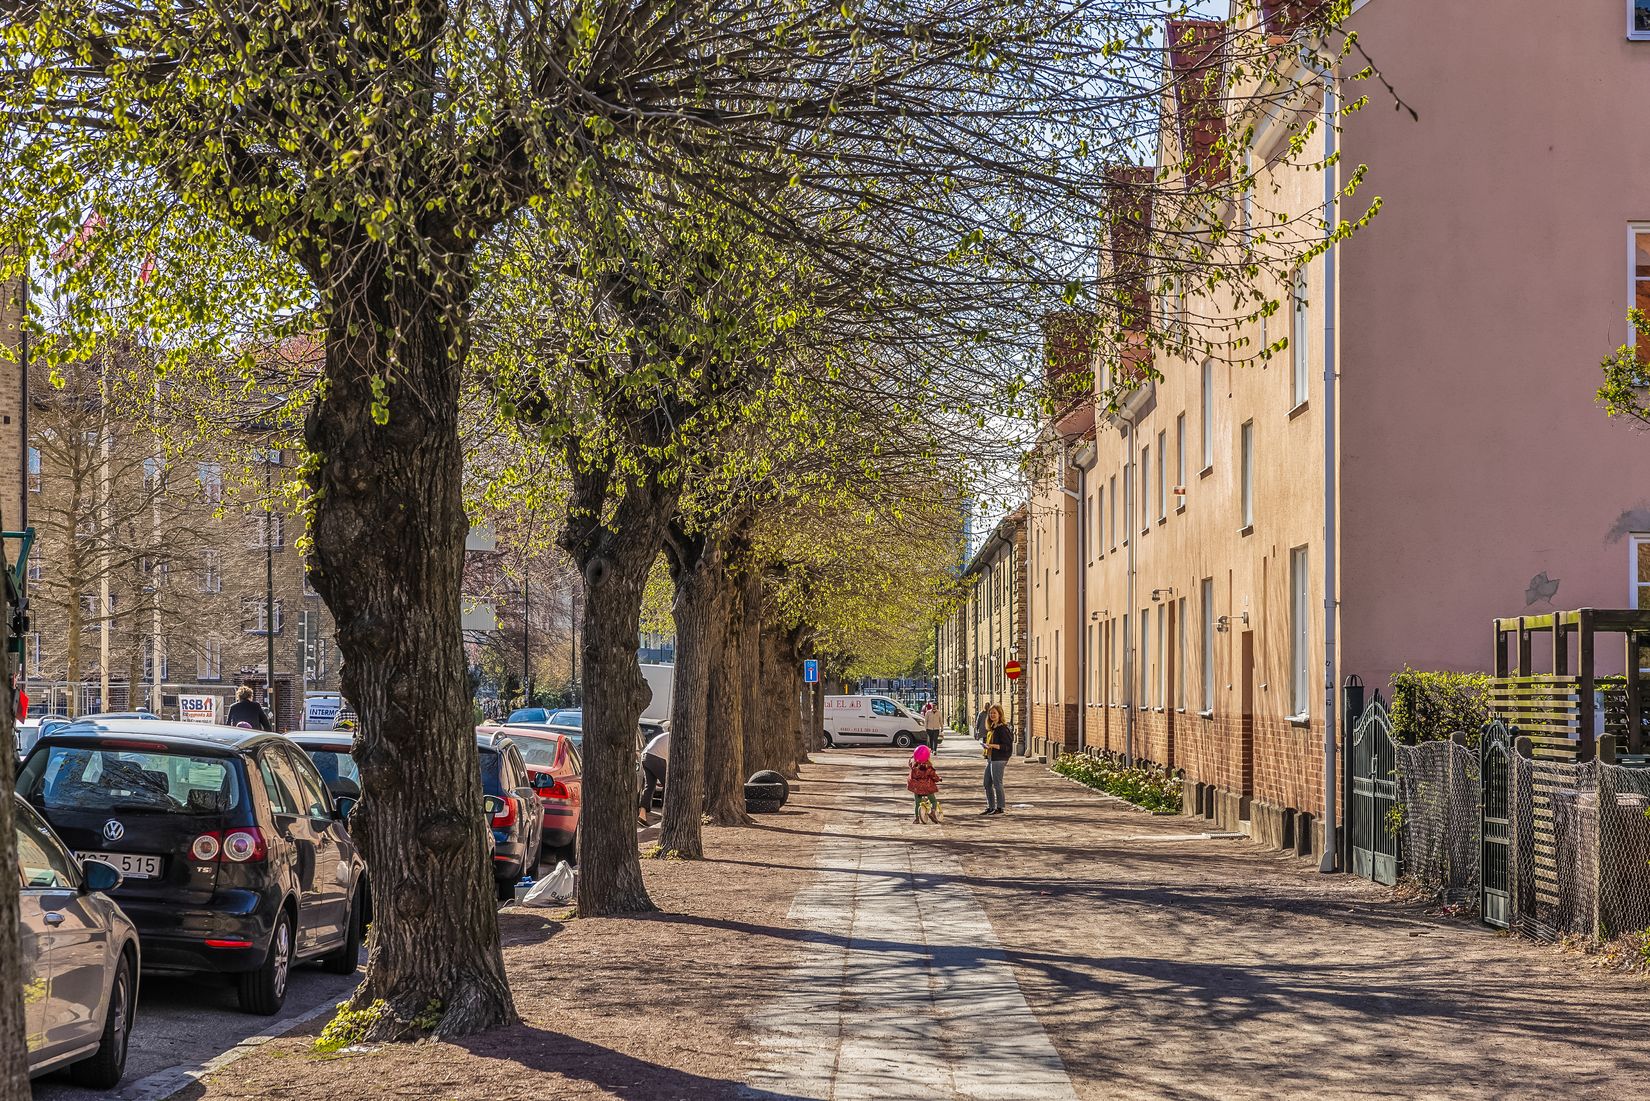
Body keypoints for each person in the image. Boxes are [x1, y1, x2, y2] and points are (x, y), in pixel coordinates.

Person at [981, 703, 1012, 815]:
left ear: (1000, 714)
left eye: (994, 713)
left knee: (997, 783)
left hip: (999, 759)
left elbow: (1007, 746)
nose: (992, 715)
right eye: (990, 713)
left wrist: (992, 745)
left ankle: (1000, 807)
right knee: (986, 783)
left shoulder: (1002, 728)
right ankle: (990, 807)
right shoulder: (993, 727)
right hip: (991, 757)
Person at [639, 728, 669, 824]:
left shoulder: (666, 735)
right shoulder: (676, 738)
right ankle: (666, 813)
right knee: (669, 784)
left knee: (650, 786)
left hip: (645, 756)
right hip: (656, 757)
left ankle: (642, 815)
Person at [907, 743, 942, 824]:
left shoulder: (913, 767)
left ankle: (916, 818)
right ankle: (932, 812)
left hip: (917, 788)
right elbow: (934, 776)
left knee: (917, 803)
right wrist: (938, 779)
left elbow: (909, 764)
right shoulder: (929, 767)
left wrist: (913, 757)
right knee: (933, 801)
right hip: (927, 788)